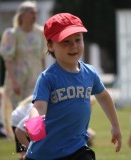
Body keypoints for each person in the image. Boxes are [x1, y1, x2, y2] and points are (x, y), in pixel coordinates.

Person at [25, 13, 122, 160]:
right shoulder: (48, 78)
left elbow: (103, 97)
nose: (74, 46)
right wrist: (34, 123)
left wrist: (115, 125)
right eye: (66, 42)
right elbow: (38, 106)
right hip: (45, 153)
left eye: (78, 39)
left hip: (77, 148)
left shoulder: (90, 73)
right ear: (50, 46)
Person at [0, 0, 46, 137]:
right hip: (18, 82)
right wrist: (14, 82)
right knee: (19, 116)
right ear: (22, 15)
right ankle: (22, 151)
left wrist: (45, 77)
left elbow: (42, 57)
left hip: (36, 81)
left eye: (36, 12)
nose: (35, 15)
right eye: (31, 12)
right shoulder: (12, 34)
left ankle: (34, 146)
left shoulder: (40, 33)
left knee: (35, 113)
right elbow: (8, 60)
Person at [11, 95, 33, 160]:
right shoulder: (35, 110)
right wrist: (31, 150)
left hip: (17, 118)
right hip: (17, 121)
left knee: (24, 152)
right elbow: (18, 131)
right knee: (26, 153)